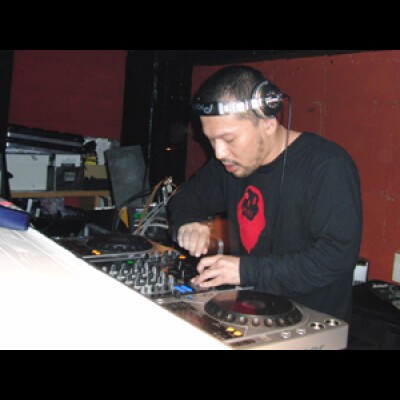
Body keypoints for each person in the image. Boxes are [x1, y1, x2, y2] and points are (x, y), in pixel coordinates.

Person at [168, 65, 362, 322]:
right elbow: (186, 198)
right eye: (211, 140)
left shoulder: (327, 166)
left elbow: (334, 258)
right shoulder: (227, 166)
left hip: (308, 325)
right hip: (248, 316)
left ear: (268, 122)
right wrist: (188, 224)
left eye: (228, 139)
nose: (219, 153)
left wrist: (246, 271)